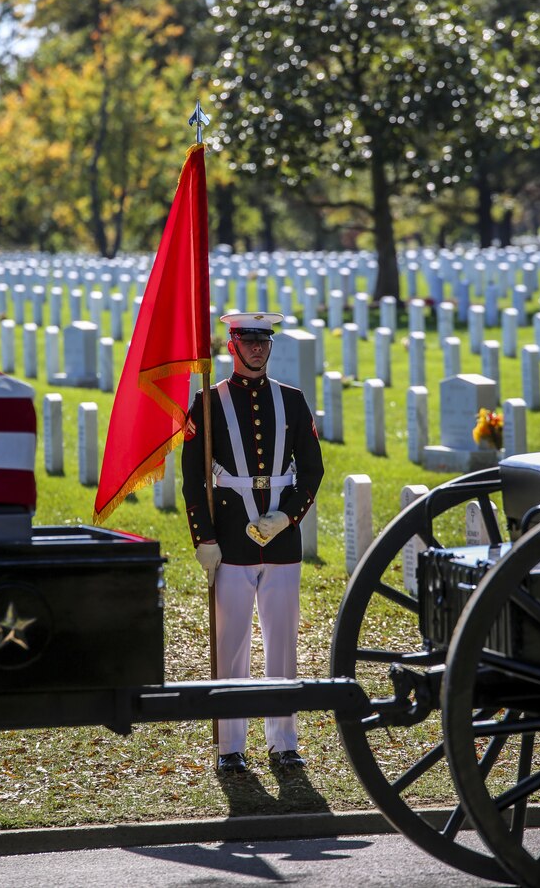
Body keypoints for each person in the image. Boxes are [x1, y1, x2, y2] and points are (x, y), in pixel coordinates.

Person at [181, 312, 324, 774]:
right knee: (231, 645)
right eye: (249, 341)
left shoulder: (293, 401)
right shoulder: (206, 404)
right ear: (232, 346)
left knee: (282, 645)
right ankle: (229, 748)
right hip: (230, 541)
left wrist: (287, 516)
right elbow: (192, 480)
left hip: (281, 542)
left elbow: (313, 470)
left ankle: (284, 743)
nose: (258, 349)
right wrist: (204, 538)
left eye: (264, 341)